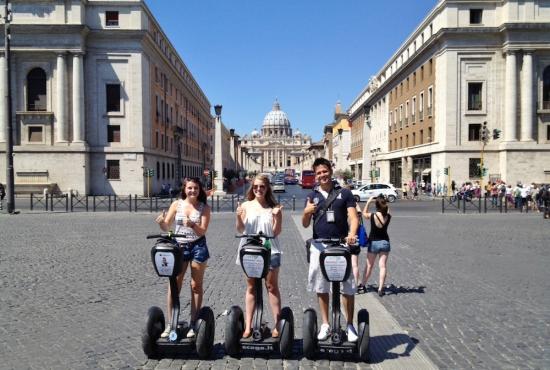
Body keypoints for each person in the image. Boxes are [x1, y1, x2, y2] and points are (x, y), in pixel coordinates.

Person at [302, 157, 360, 342]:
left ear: (330, 171)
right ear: (315, 175)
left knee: (347, 286)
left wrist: (352, 233)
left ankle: (350, 324)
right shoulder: (312, 196)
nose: (322, 175)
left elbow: (353, 217)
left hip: (342, 244)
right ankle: (325, 324)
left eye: (324, 171)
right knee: (321, 286)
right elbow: (304, 225)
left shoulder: (344, 193)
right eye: (318, 173)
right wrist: (306, 212)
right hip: (320, 245)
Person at [155, 177, 212, 338]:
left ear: (200, 190)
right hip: (179, 247)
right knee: (175, 284)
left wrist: (193, 224)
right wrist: (161, 223)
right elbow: (168, 226)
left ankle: (193, 323)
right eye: (190, 188)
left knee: (196, 285)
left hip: (198, 247)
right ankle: (171, 322)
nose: (192, 191)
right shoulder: (176, 204)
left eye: (195, 188)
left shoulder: (204, 208)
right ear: (184, 189)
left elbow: (202, 231)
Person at [236, 174, 283, 338]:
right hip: (250, 250)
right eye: (255, 186)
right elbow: (240, 229)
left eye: (262, 186)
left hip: (270, 250)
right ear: (252, 188)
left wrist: (276, 217)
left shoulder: (274, 207)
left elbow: (276, 232)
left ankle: (278, 324)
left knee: (271, 286)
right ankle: (248, 326)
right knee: (251, 287)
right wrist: (237, 216)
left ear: (267, 188)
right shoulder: (246, 205)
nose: (258, 189)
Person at [361, 195, 392, 297]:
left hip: (373, 242)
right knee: (382, 266)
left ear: (376, 205)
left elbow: (363, 214)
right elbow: (388, 210)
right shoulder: (388, 216)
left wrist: (368, 202)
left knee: (369, 266)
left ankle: (363, 285)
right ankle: (380, 288)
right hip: (385, 242)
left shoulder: (373, 215)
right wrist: (385, 201)